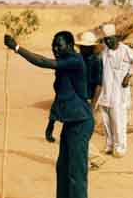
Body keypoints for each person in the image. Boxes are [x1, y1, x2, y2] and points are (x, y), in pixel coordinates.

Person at [4, 31, 93, 198]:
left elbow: (43, 62)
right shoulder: (63, 66)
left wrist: (17, 48)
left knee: (76, 170)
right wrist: (51, 124)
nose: (55, 49)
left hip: (81, 121)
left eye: (59, 45)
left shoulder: (75, 61)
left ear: (70, 45)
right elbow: (61, 96)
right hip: (70, 121)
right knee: (62, 168)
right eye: (54, 45)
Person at [45, 31, 106, 169]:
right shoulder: (77, 59)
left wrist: (93, 104)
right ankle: (92, 159)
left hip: (88, 99)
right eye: (83, 46)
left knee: (80, 135)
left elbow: (98, 84)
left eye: (87, 46)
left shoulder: (96, 61)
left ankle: (96, 158)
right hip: (79, 99)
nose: (84, 48)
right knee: (78, 135)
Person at [98, 23, 133, 158]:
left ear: (117, 38)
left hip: (119, 91)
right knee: (106, 120)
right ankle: (110, 145)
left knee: (118, 120)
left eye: (111, 39)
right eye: (106, 40)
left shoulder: (125, 50)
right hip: (106, 91)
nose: (109, 42)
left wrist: (128, 76)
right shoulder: (104, 52)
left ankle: (120, 147)